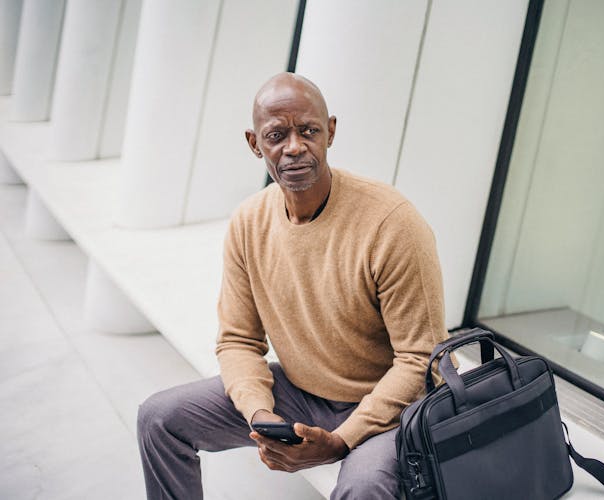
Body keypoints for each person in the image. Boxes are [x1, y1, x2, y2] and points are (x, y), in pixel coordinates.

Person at [137, 73, 448, 499]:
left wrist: (342, 439)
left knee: (363, 487)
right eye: (277, 135)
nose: (295, 147)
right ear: (254, 143)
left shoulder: (391, 224)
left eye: (309, 131)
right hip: (302, 394)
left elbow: (420, 360)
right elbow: (239, 340)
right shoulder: (249, 222)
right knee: (159, 419)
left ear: (331, 131)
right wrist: (260, 414)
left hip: (393, 409)